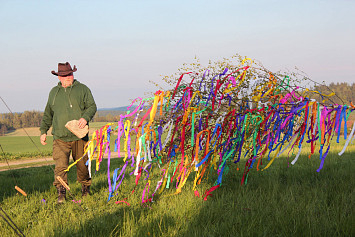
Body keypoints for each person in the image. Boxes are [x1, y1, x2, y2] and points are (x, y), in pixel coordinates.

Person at [40, 62, 97, 204]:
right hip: (60, 137)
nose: (68, 77)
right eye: (64, 75)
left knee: (83, 166)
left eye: (70, 74)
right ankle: (61, 193)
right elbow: (48, 113)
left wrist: (85, 117)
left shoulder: (83, 89)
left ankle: (85, 190)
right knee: (60, 166)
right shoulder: (54, 93)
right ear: (59, 77)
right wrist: (43, 131)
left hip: (80, 137)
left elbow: (92, 106)